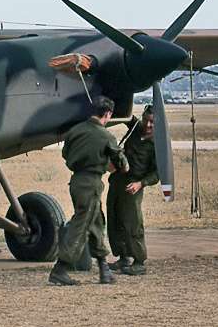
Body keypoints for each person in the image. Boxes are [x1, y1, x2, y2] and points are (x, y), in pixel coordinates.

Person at [50, 95, 128, 286]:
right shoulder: (106, 136)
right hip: (91, 184)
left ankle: (104, 268)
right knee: (81, 225)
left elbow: (65, 154)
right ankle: (60, 269)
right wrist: (121, 163)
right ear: (108, 114)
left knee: (96, 222)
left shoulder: (75, 131)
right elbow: (121, 163)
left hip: (76, 182)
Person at [106, 105, 158, 276]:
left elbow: (157, 173)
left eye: (152, 121)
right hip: (117, 181)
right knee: (115, 219)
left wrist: (140, 184)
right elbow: (125, 115)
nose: (148, 125)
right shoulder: (137, 128)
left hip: (133, 187)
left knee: (132, 223)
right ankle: (123, 258)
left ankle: (139, 261)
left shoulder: (158, 144)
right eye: (146, 120)